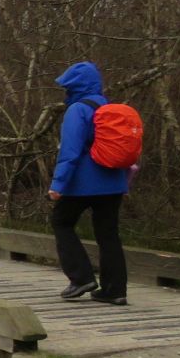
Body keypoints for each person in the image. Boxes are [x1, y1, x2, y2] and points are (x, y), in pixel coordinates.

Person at [49, 61, 131, 305]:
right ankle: (115, 290)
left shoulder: (78, 110)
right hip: (113, 181)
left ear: (74, 86)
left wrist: (58, 185)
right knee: (108, 234)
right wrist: (124, 181)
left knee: (61, 222)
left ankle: (81, 277)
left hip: (84, 182)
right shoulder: (110, 107)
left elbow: (70, 151)